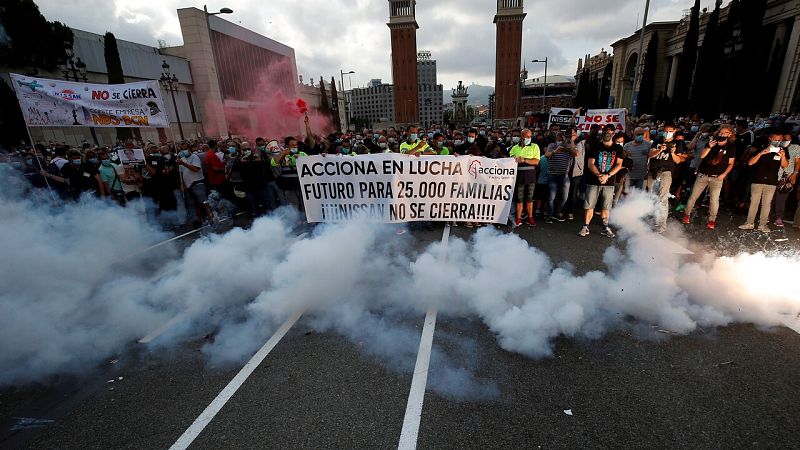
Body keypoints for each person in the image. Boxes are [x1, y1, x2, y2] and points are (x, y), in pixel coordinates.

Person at [682, 125, 736, 230]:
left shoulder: (731, 147)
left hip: (717, 178)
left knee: (714, 200)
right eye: (721, 132)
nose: (722, 134)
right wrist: (709, 147)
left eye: (725, 133)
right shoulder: (712, 142)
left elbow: (731, 163)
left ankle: (712, 220)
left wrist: (724, 174)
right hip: (703, 174)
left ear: (730, 134)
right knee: (694, 196)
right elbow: (702, 156)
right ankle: (686, 214)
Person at [739, 131, 789, 232]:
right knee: (754, 202)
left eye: (780, 140)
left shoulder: (783, 150)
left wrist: (783, 156)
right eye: (775, 139)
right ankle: (749, 223)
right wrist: (762, 153)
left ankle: (763, 225)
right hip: (757, 179)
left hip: (772, 181)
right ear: (770, 139)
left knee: (766, 204)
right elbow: (750, 163)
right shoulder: (761, 148)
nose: (778, 142)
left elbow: (785, 166)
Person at [579, 127, 624, 238]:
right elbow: (590, 164)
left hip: (609, 182)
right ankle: (585, 227)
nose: (607, 133)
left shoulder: (617, 148)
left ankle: (605, 227)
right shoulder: (595, 146)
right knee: (589, 206)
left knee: (606, 207)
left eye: (609, 131)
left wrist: (607, 175)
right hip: (594, 181)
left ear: (613, 133)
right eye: (605, 131)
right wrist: (600, 175)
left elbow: (619, 164)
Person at [647, 124, 688, 233]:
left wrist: (673, 153)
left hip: (666, 172)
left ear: (674, 131)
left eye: (670, 131)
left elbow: (678, 160)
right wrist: (659, 150)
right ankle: (654, 220)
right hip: (653, 172)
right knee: (652, 196)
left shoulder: (677, 143)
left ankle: (661, 224)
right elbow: (650, 155)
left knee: (663, 198)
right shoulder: (657, 141)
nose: (667, 133)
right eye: (665, 131)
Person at [509, 128, 540, 227]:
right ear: (521, 137)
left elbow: (536, 161)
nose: (529, 138)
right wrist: (514, 159)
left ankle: (530, 218)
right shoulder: (514, 148)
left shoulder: (535, 146)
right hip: (519, 177)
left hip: (531, 176)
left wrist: (525, 160)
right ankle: (518, 218)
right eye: (527, 136)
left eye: (530, 136)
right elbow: (509, 162)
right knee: (519, 198)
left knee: (530, 198)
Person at [545, 131, 576, 222]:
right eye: (559, 136)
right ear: (555, 138)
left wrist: (568, 144)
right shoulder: (552, 145)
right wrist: (555, 151)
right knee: (551, 197)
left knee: (564, 197)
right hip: (552, 175)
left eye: (563, 136)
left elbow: (576, 153)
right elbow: (547, 154)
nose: (561, 137)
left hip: (564, 176)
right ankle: (550, 215)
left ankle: (557, 212)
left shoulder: (568, 146)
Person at [772, 130, 799, 227]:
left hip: (788, 175)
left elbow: (798, 162)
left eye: (789, 139)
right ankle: (765, 215)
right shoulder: (776, 147)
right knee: (770, 196)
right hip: (774, 174)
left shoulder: (796, 147)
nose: (786, 140)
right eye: (784, 138)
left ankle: (779, 217)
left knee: (782, 197)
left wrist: (795, 174)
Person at [177, 143, 207, 227]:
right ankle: (200, 221)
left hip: (197, 184)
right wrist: (182, 184)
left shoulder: (194, 157)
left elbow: (196, 169)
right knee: (194, 205)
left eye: (185, 148)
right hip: (188, 186)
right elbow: (181, 173)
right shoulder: (181, 159)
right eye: (182, 149)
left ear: (189, 149)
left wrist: (183, 164)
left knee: (203, 203)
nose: (184, 151)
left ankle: (210, 217)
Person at [623, 127, 650, 191]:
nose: (640, 136)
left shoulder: (648, 145)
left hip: (642, 176)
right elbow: (623, 160)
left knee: (639, 196)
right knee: (628, 196)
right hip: (629, 176)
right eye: (638, 134)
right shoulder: (627, 146)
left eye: (641, 134)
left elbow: (651, 158)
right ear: (633, 134)